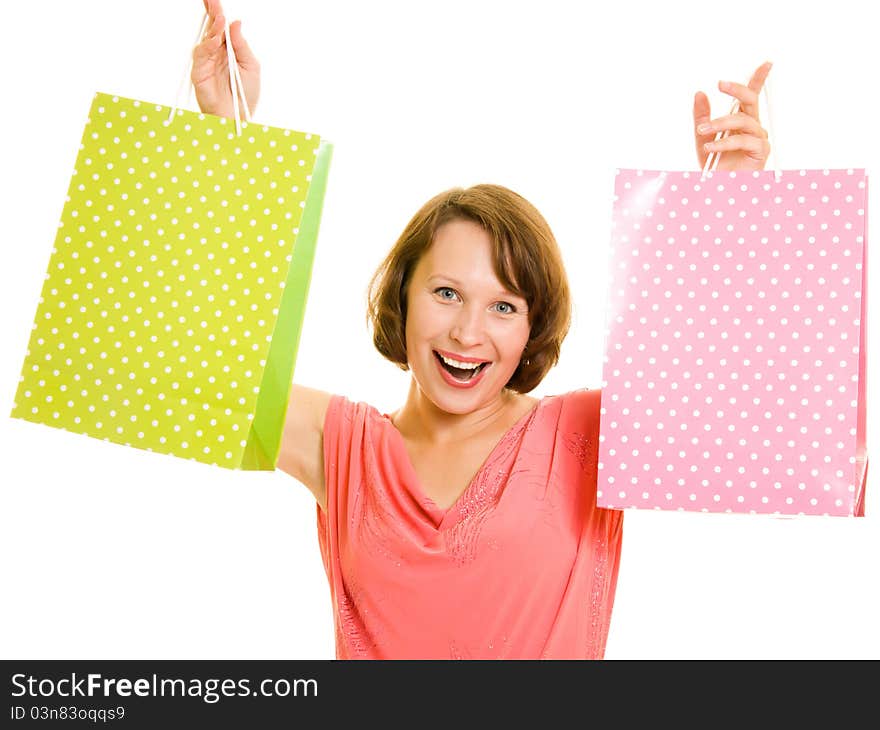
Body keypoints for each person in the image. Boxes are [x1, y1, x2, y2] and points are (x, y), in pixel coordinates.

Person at [192, 0, 772, 659]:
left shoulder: (584, 437)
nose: (468, 332)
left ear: (533, 326)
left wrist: (728, 203)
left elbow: (719, 385)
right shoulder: (341, 446)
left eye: (504, 307)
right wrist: (224, 137)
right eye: (446, 293)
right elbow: (201, 374)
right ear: (402, 297)